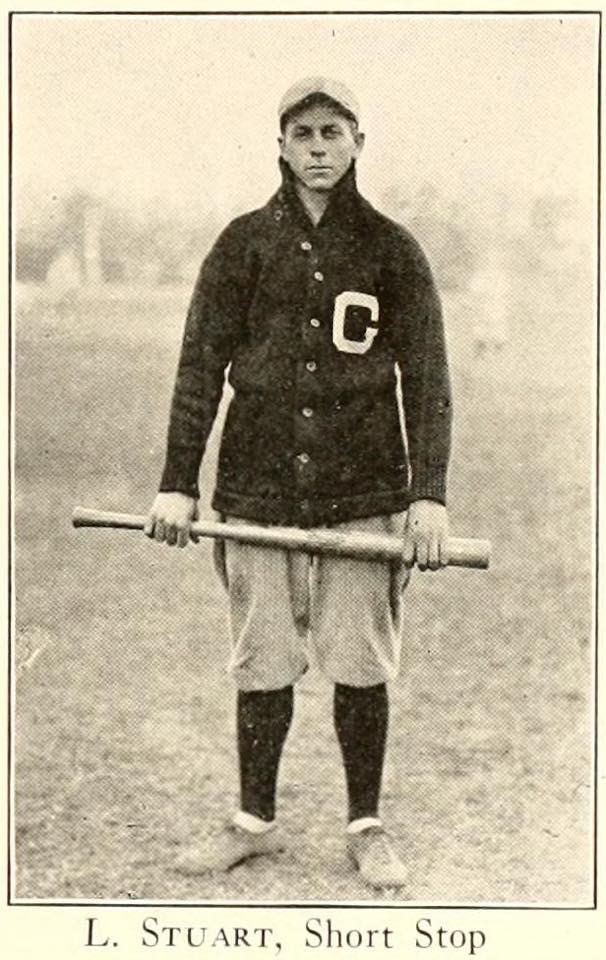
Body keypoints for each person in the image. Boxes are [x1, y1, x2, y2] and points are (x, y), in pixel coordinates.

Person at [145, 77, 452, 890]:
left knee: (360, 662)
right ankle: (253, 819)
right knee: (264, 662)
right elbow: (198, 369)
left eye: (333, 132)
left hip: (364, 491)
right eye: (303, 133)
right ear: (279, 144)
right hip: (256, 488)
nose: (318, 147)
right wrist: (179, 483)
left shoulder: (392, 247)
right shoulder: (242, 243)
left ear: (359, 143)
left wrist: (429, 495)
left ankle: (367, 823)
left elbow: (426, 378)